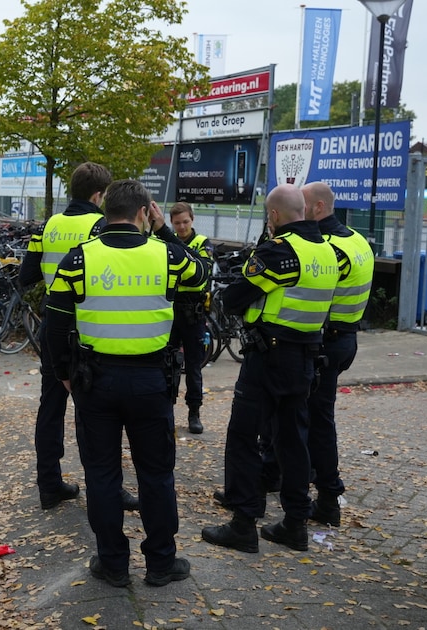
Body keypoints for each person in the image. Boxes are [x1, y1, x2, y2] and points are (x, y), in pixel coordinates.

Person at [45, 179, 208, 588]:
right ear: (144, 213)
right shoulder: (170, 257)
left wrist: (63, 374)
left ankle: (113, 563)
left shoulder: (78, 260)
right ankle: (161, 562)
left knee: (101, 475)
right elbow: (203, 276)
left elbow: (53, 325)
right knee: (156, 474)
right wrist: (165, 229)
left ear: (105, 212)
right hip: (152, 382)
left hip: (94, 383)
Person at [201, 184, 341, 554]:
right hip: (305, 359)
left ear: (274, 216)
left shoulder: (279, 253)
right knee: (293, 441)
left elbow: (233, 300)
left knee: (244, 438)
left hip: (268, 358)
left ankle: (243, 525)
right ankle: (295, 525)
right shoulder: (327, 252)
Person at [18, 161, 138, 512]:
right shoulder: (102, 225)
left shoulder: (50, 224)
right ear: (100, 195)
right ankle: (109, 491)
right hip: (89, 330)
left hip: (52, 327)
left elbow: (27, 274)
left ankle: (49, 485)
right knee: (98, 415)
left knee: (50, 408)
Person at [302, 181, 373, 527]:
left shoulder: (327, 249)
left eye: (302, 206)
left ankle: (328, 498)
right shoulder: (357, 240)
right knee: (315, 418)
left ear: (317, 208)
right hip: (346, 339)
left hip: (325, 346)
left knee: (317, 422)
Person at [168, 202, 214, 434]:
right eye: (177, 223)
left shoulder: (202, 243)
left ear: (192, 219)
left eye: (185, 222)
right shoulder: (167, 242)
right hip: (171, 311)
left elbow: (203, 274)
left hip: (193, 314)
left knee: (193, 367)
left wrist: (180, 275)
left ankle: (194, 412)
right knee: (167, 364)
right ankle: (166, 410)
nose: (182, 227)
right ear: (171, 224)